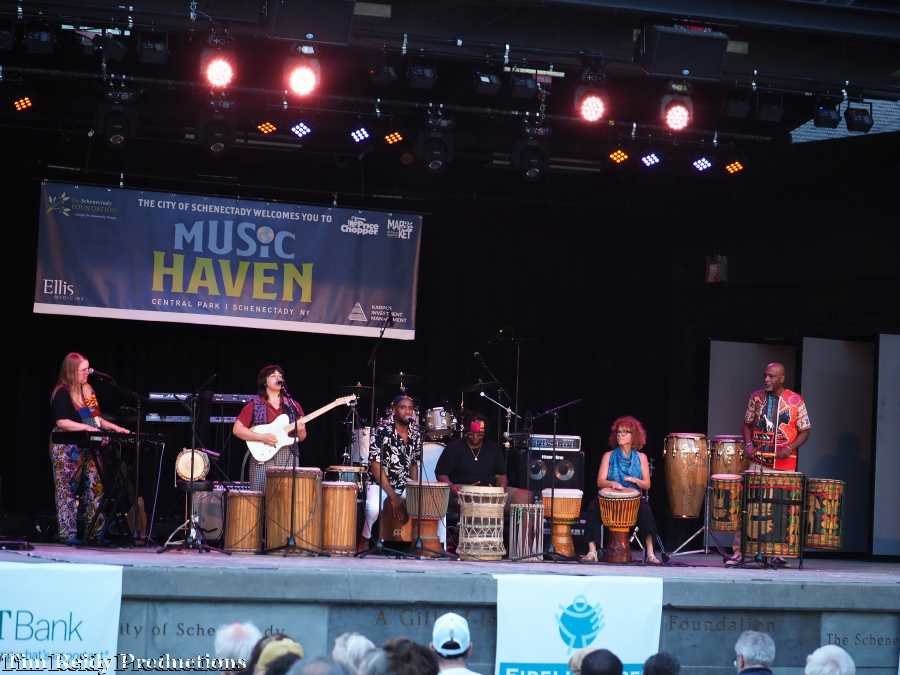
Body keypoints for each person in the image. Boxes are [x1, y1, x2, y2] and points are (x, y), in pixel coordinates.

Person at [727, 362, 812, 567]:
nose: (767, 379)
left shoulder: (795, 400)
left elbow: (805, 430)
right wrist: (749, 444)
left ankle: (778, 554)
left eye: (771, 376)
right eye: (765, 375)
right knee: (748, 505)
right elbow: (746, 424)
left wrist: (790, 447)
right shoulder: (756, 397)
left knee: (780, 509)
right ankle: (740, 551)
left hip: (785, 463)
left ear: (782, 378)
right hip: (758, 460)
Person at [49, 352, 130, 545]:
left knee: (96, 486)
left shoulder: (88, 391)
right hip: (66, 446)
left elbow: (96, 419)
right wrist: (87, 428)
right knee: (66, 490)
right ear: (71, 371)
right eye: (83, 370)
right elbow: (62, 422)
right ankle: (67, 534)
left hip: (89, 445)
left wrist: (115, 428)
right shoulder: (62, 392)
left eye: (88, 369)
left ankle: (95, 533)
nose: (87, 373)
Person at [582, 416, 663, 564]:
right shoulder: (608, 456)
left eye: (625, 432)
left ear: (634, 436)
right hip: (609, 499)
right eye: (619, 432)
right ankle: (592, 551)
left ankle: (651, 554)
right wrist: (612, 483)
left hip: (634, 500)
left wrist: (635, 480)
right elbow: (600, 481)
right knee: (593, 507)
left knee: (646, 511)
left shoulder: (641, 457)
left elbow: (647, 485)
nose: (620, 435)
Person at [359, 394, 422, 550]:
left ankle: (416, 541)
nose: (407, 411)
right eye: (403, 407)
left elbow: (414, 464)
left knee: (422, 504)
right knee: (373, 509)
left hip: (403, 482)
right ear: (394, 410)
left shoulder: (416, 434)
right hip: (380, 483)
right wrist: (393, 496)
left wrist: (414, 488)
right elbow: (375, 466)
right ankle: (365, 538)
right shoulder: (381, 431)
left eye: (410, 408)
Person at [233, 365, 307, 492]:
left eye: (280, 376)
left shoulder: (293, 405)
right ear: (264, 382)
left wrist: (300, 430)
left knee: (286, 495)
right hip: (262, 455)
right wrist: (262, 437)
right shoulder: (254, 404)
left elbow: (302, 437)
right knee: (260, 494)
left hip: (288, 454)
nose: (278, 378)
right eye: (273, 376)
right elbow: (237, 429)